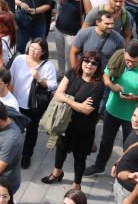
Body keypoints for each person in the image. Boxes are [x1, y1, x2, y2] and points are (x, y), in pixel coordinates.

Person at [88, 40, 138, 176]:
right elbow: (105, 76)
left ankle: (124, 172)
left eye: (134, 62)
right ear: (124, 53)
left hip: (132, 117)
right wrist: (112, 86)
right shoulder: (118, 58)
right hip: (112, 109)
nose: (130, 64)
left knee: (129, 147)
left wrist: (135, 98)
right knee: (106, 140)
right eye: (128, 60)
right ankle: (99, 166)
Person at [44, 51, 105, 190]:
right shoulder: (72, 72)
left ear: (98, 66)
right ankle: (57, 172)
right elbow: (58, 94)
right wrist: (76, 103)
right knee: (61, 148)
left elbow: (87, 110)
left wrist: (66, 98)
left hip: (83, 128)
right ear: (82, 61)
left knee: (80, 157)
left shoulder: (98, 85)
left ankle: (76, 184)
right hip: (65, 122)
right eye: (86, 61)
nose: (89, 65)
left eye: (94, 63)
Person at [9, 37, 57, 169]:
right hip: (16, 102)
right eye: (31, 47)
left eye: (36, 49)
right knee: (13, 129)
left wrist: (40, 79)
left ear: (43, 52)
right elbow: (11, 77)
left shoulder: (48, 66)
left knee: (31, 130)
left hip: (34, 105)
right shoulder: (19, 59)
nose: (32, 51)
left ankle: (26, 155)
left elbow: (53, 85)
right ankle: (11, 153)